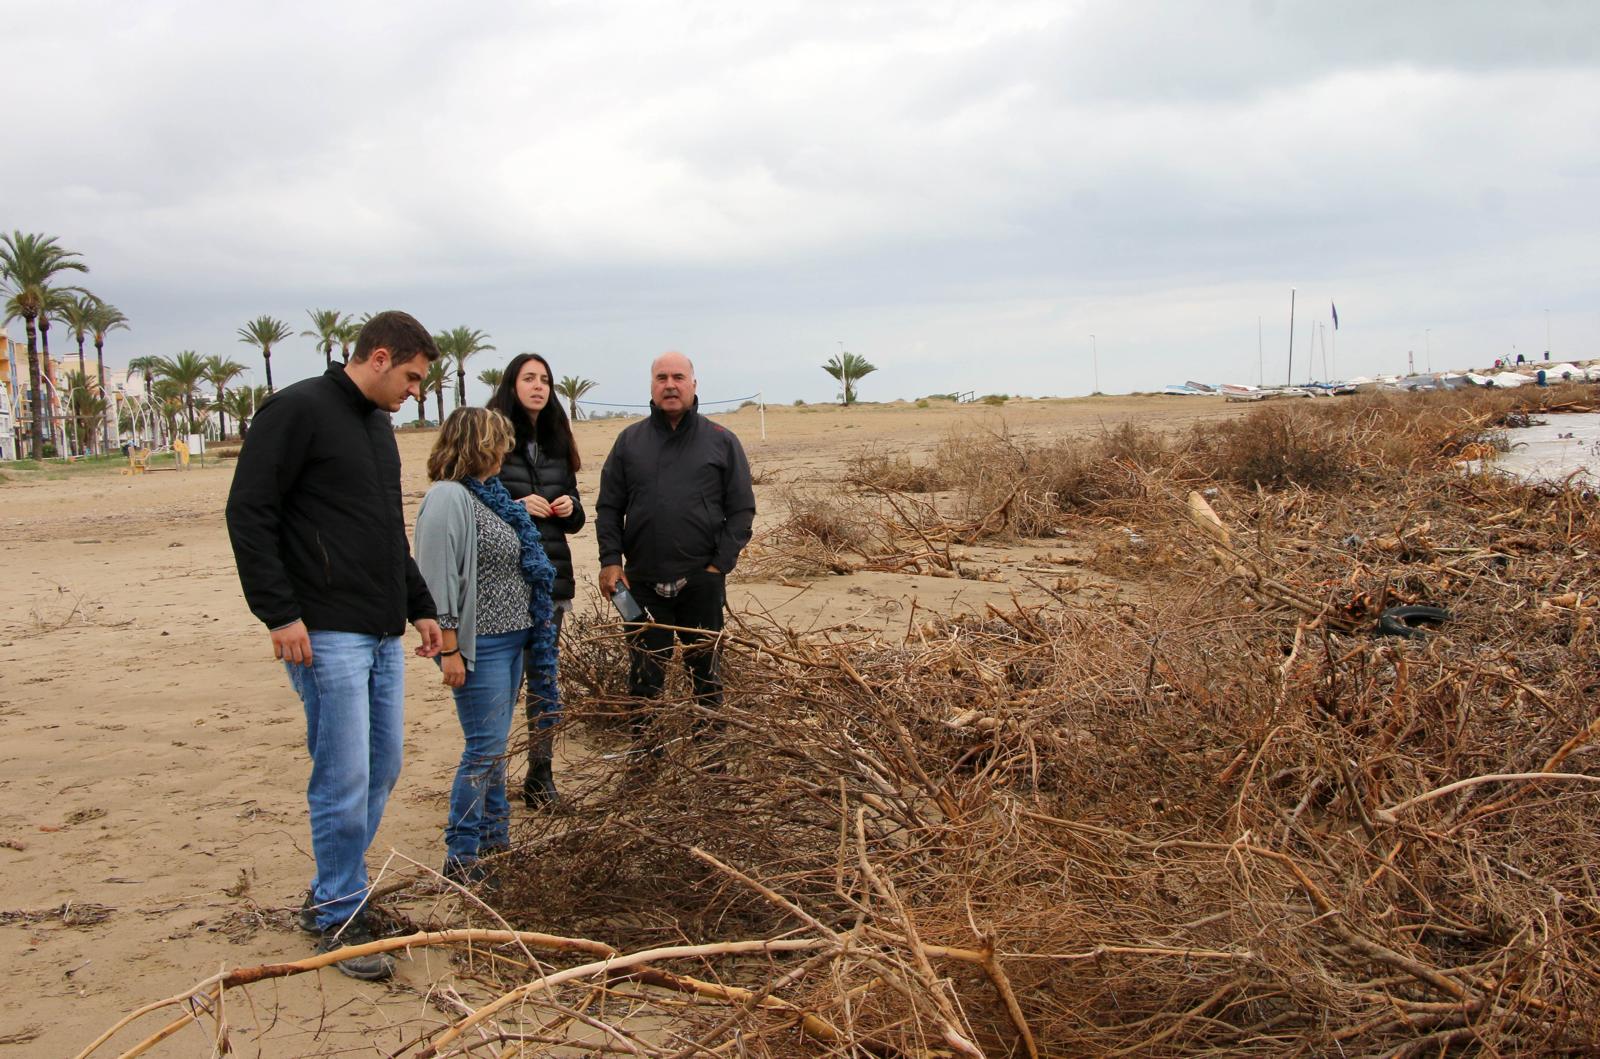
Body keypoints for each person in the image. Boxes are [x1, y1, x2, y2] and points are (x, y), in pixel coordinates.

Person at [225, 310, 443, 981]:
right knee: (343, 773)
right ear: (379, 357)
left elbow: (385, 532)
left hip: (378, 630)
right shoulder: (295, 410)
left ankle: (332, 889)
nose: (415, 393)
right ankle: (342, 912)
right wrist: (279, 613)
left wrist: (420, 607)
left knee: (382, 767)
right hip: (322, 631)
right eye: (411, 378)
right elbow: (248, 510)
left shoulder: (379, 429)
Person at [414, 408, 558, 881]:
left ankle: (496, 840)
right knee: (484, 750)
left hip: (515, 640)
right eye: (499, 442)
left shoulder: (490, 497)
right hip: (483, 646)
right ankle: (462, 853)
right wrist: (449, 649)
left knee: (494, 749)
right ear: (478, 445)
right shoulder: (447, 498)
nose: (505, 452)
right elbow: (437, 580)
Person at [596, 351, 755, 752]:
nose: (671, 384)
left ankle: (711, 760)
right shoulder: (629, 442)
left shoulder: (721, 440)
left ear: (694, 384)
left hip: (701, 581)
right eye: (662, 377)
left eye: (679, 377)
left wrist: (720, 565)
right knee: (645, 679)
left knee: (707, 676)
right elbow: (609, 507)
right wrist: (611, 561)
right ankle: (645, 758)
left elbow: (741, 509)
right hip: (641, 584)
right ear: (651, 386)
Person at [486, 353, 584, 808]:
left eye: (545, 379)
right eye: (529, 378)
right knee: (502, 687)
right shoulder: (491, 440)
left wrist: (569, 509)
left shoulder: (557, 442)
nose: (539, 386)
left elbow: (579, 516)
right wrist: (515, 507)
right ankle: (489, 783)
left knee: (545, 683)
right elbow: (474, 500)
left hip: (551, 583)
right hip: (505, 583)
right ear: (512, 385)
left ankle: (540, 779)